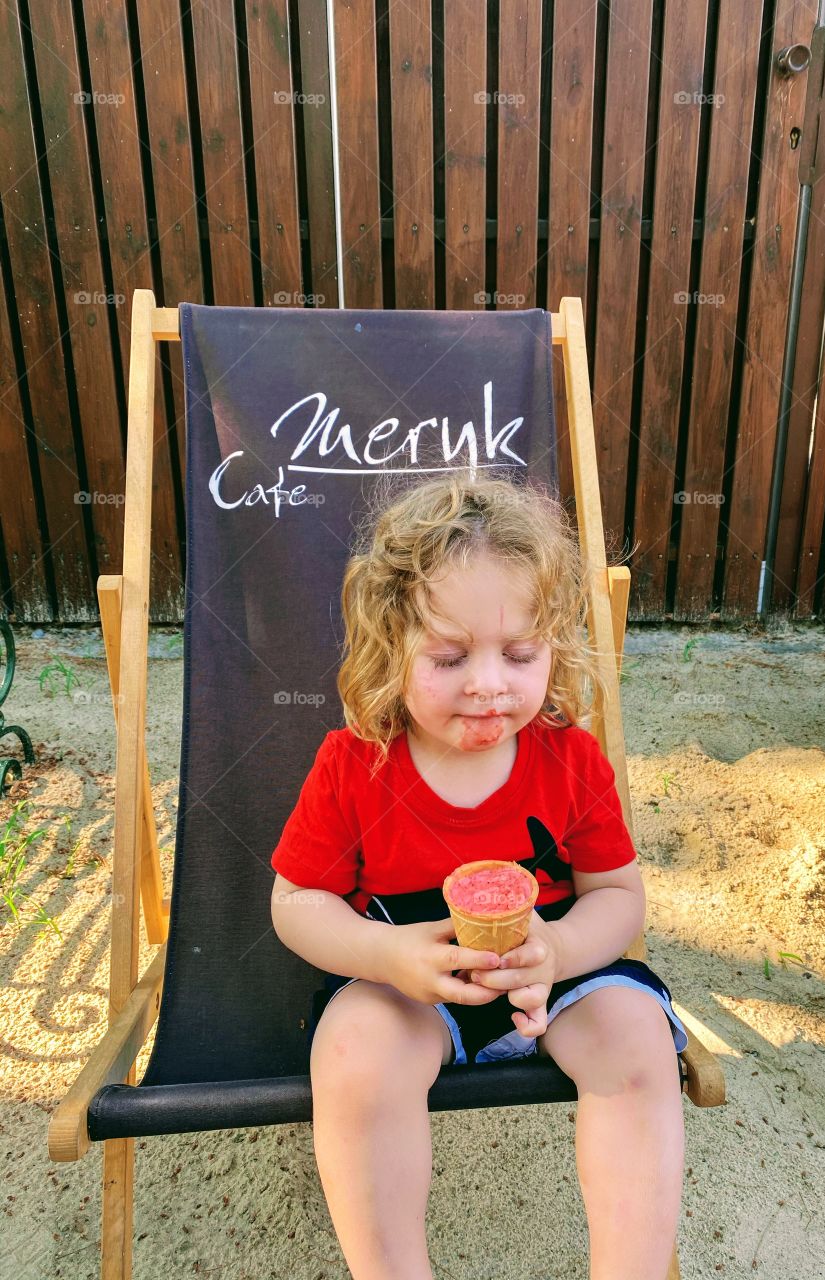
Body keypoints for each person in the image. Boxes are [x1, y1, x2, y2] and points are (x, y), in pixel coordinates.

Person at [270, 471, 688, 1280]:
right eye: (451, 656)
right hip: (410, 985)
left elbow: (617, 895)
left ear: (552, 650)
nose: (489, 683)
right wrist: (385, 958)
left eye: (521, 654)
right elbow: (296, 902)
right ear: (392, 651)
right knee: (354, 1053)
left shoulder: (569, 759)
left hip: (556, 977)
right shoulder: (356, 764)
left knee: (639, 1043)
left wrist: (562, 952)